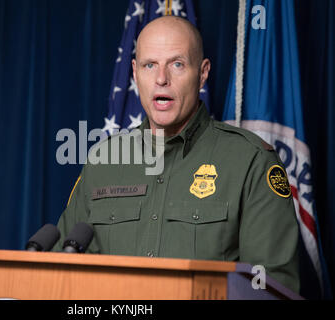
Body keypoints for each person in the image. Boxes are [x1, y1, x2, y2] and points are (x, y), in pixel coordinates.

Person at [53, 16, 300, 293]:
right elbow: (58, 271)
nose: (161, 79)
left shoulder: (251, 161)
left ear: (203, 72)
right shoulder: (103, 161)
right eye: (150, 65)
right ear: (135, 73)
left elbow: (270, 287)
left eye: (177, 64)